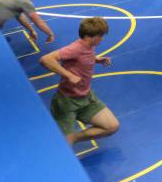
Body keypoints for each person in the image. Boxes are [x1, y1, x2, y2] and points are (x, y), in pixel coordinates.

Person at [40, 17, 119, 146]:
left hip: (86, 97)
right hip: (67, 102)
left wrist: (96, 59)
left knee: (112, 126)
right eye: (100, 36)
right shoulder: (75, 48)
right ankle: (67, 139)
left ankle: (74, 137)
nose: (102, 39)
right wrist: (68, 75)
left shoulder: (88, 46)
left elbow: (84, 56)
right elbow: (45, 59)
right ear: (89, 37)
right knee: (66, 147)